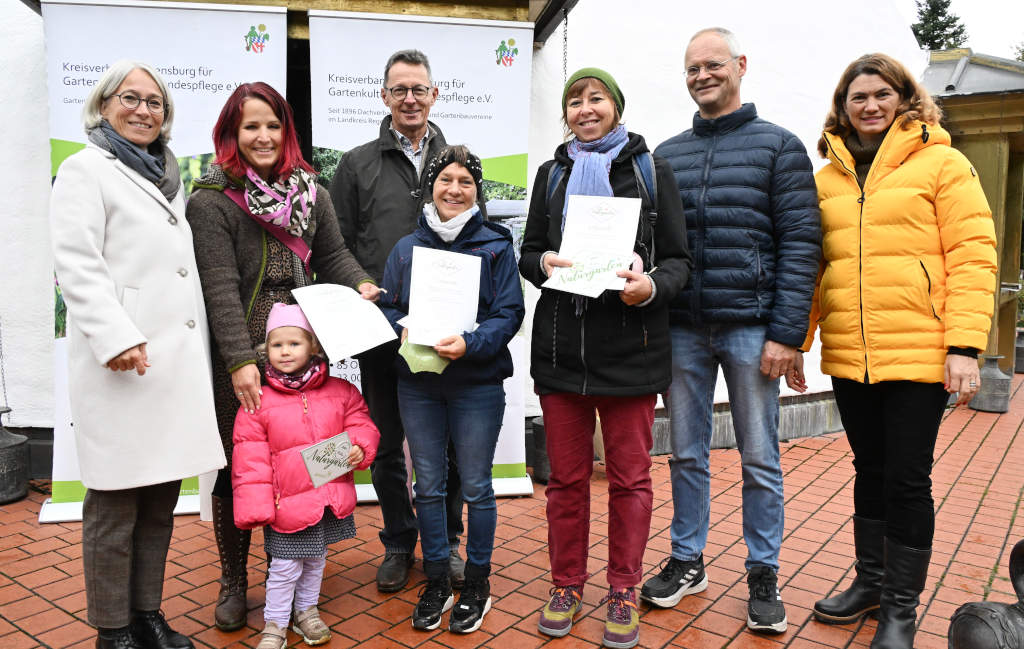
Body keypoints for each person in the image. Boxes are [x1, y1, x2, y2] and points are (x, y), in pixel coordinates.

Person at [795, 53, 996, 649]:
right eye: (859, 97)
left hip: (920, 354)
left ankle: (901, 610)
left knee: (907, 481)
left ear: (905, 99)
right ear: (843, 106)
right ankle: (872, 582)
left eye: (883, 94)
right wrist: (801, 342)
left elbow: (973, 255)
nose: (871, 105)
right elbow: (814, 267)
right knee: (868, 471)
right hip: (853, 356)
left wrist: (964, 346)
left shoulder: (943, 164)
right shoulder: (826, 177)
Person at [640, 27, 821, 635]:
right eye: (692, 69)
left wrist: (787, 333)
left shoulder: (780, 147)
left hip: (752, 328)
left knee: (760, 457)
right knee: (686, 453)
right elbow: (656, 245)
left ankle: (763, 571)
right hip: (683, 328)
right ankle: (688, 559)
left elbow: (801, 245)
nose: (701, 77)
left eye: (712, 65)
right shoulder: (666, 154)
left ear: (740, 66)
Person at [186, 81, 379, 631]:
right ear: (232, 132)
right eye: (251, 126)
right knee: (238, 466)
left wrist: (361, 284)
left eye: (273, 125)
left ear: (287, 131)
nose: (263, 136)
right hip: (244, 356)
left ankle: (285, 567)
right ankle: (232, 578)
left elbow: (334, 254)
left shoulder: (310, 192)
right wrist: (240, 361)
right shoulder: (211, 200)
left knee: (298, 461)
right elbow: (219, 288)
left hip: (303, 348)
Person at [50, 60, 227, 649]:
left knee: (158, 498)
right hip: (123, 362)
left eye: (156, 103)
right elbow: (76, 264)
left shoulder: (167, 177)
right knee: (114, 505)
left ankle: (147, 614)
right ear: (105, 106)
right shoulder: (84, 170)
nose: (144, 110)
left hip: (171, 365)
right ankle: (112, 629)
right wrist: (116, 335)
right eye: (132, 99)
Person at [520, 68, 691, 649]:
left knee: (630, 480)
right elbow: (528, 253)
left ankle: (623, 587)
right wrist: (544, 263)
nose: (585, 108)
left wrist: (651, 287)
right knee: (566, 482)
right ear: (566, 113)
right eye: (575, 100)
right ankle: (566, 584)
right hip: (561, 350)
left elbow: (677, 261)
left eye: (596, 99)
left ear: (616, 106)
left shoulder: (650, 171)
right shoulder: (553, 174)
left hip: (631, 353)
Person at [329, 49, 466, 592]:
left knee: (449, 444)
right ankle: (396, 542)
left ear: (434, 94)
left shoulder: (456, 159)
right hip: (381, 331)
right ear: (384, 96)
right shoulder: (357, 163)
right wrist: (366, 292)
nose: (410, 98)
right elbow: (333, 243)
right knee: (386, 445)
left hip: (444, 331)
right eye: (399, 89)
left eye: (420, 89)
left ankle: (447, 543)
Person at [379, 145, 525, 633]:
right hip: (418, 385)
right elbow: (389, 307)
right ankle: (438, 578)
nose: (455, 189)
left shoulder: (498, 244)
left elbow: (509, 313)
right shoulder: (406, 248)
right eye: (446, 180)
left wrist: (471, 343)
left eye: (466, 181)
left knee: (479, 486)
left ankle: (477, 581)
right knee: (430, 485)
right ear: (431, 187)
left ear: (476, 191)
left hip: (476, 384)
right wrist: (398, 325)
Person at [233, 303, 380, 649]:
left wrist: (359, 445)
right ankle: (274, 624)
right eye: (276, 345)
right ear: (265, 350)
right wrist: (258, 506)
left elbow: (361, 424)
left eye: (294, 343)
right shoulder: (259, 399)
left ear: (313, 346)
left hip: (326, 497)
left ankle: (307, 611)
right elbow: (249, 458)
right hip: (287, 505)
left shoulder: (341, 391)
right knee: (283, 569)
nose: (285, 351)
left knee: (315, 560)